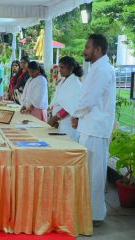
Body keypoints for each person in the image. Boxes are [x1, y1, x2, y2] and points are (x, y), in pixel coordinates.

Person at [71, 34, 116, 227]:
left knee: (94, 174)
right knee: (88, 172)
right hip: (91, 126)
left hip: (95, 128)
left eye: (88, 47)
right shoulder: (97, 68)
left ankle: (95, 214)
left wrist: (75, 114)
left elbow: (89, 99)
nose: (85, 51)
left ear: (98, 50)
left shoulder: (102, 69)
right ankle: (88, 210)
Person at [48, 56, 83, 141]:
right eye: (59, 67)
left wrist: (55, 118)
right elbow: (57, 100)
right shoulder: (63, 81)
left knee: (67, 145)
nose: (60, 70)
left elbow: (70, 106)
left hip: (68, 123)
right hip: (59, 122)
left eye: (62, 67)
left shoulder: (75, 84)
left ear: (71, 68)